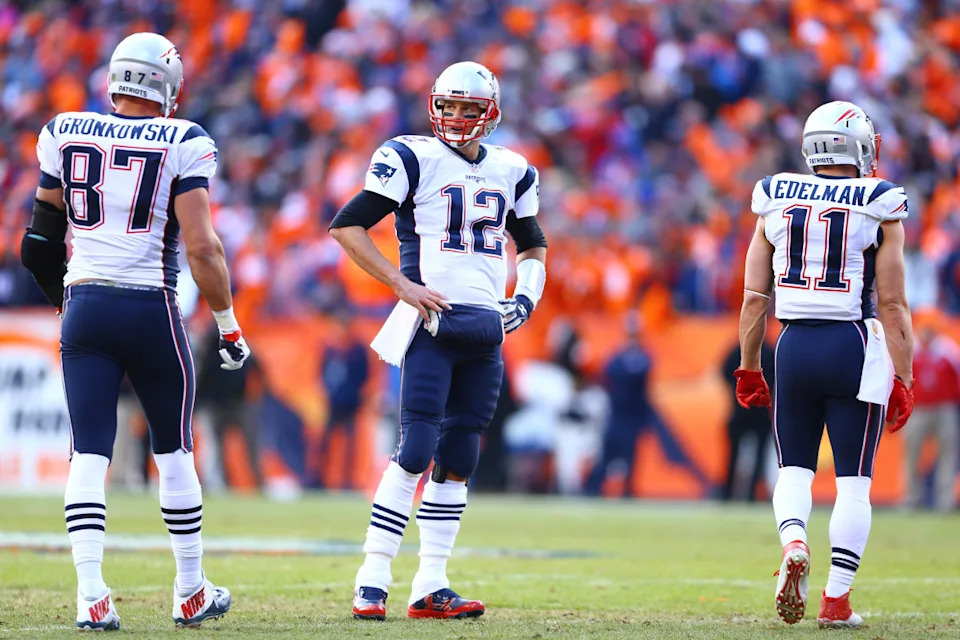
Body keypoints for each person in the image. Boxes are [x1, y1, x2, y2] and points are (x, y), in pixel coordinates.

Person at [21, 33, 250, 631]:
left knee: (88, 449)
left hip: (86, 303)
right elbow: (201, 245)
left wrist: (65, 304)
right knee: (173, 450)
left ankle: (92, 596)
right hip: (150, 304)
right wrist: (227, 324)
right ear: (167, 85)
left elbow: (39, 243)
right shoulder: (186, 139)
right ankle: (191, 590)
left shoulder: (63, 130)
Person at [329, 61, 547, 620]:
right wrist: (402, 284)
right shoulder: (411, 156)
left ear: (490, 113)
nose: (455, 117)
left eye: (468, 108)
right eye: (447, 106)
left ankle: (431, 584)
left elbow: (532, 245)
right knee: (415, 451)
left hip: (484, 328)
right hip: (429, 323)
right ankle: (371, 579)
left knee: (459, 456)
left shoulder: (513, 169)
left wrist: (524, 298)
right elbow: (348, 224)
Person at [736, 100, 915, 628]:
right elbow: (893, 304)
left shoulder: (775, 195)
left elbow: (753, 297)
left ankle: (794, 542)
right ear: (859, 145)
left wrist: (750, 365)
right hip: (852, 345)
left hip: (791, 344)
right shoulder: (880, 200)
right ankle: (836, 601)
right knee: (854, 480)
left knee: (794, 467)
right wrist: (904, 375)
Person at [904, 312, 959, 511]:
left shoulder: (948, 350)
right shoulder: (911, 349)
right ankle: (912, 498)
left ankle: (945, 499)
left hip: (944, 408)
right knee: (912, 453)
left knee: (948, 452)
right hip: (918, 408)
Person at [720, 338, 775, 501]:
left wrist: (737, 388)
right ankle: (750, 494)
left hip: (741, 408)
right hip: (759, 410)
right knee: (758, 456)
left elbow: (724, 372)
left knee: (734, 454)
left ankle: (728, 493)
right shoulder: (768, 351)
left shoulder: (738, 349)